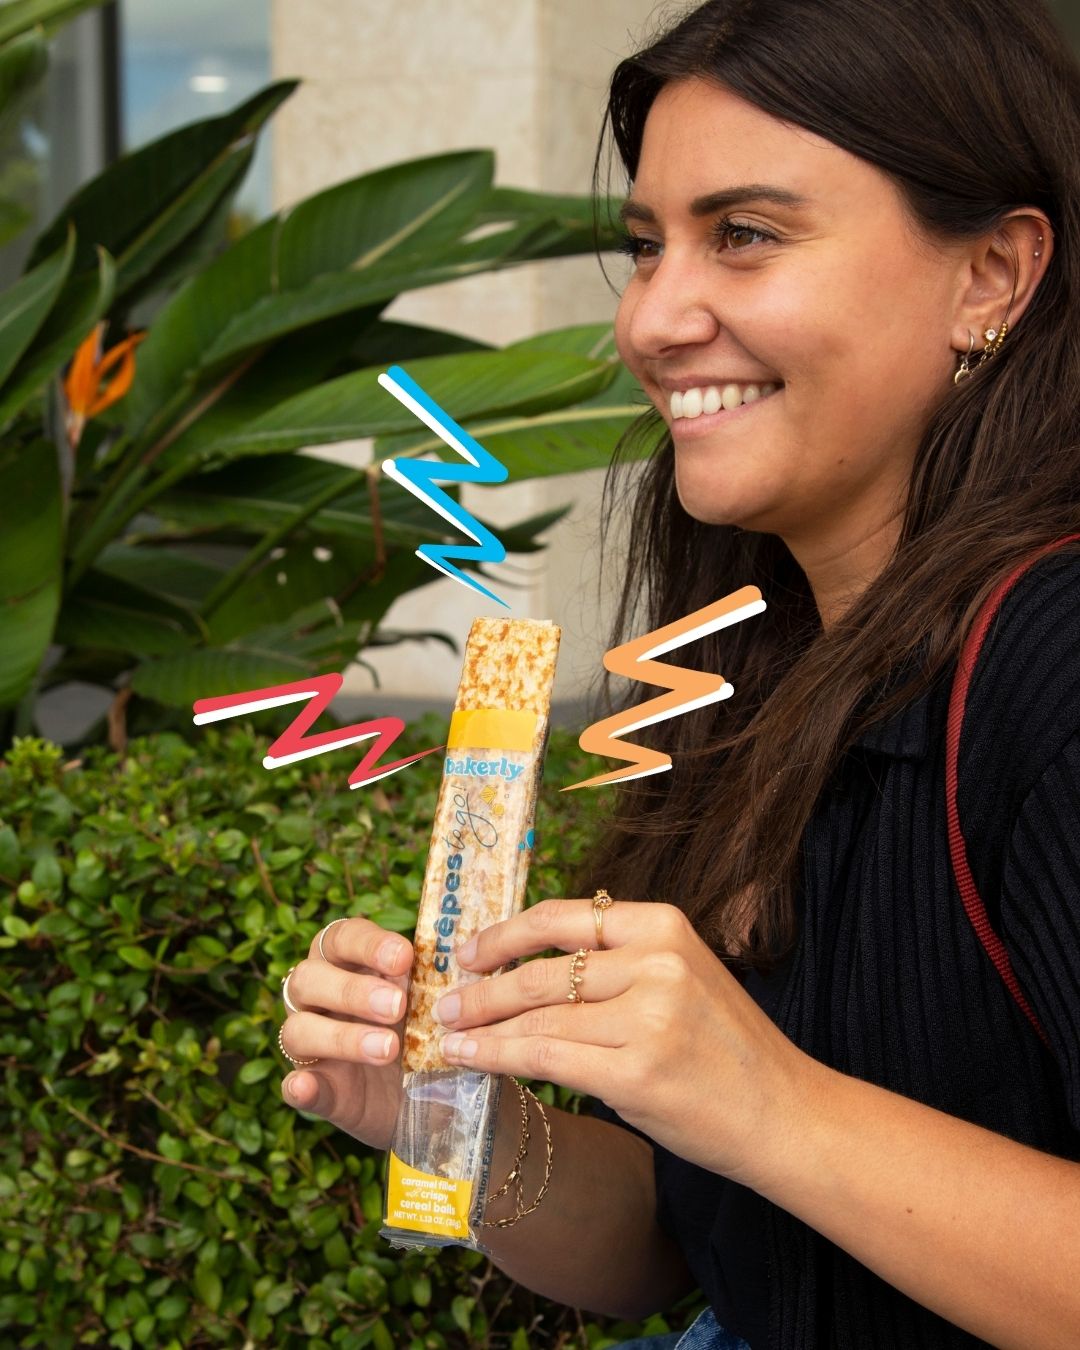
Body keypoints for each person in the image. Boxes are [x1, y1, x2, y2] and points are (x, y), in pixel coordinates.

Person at [275, 1, 1080, 1345]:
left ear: (992, 275)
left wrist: (775, 1102)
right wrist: (449, 1113)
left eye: (745, 236)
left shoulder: (1050, 671)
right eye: (646, 248)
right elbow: (675, 1240)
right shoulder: (740, 665)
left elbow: (772, 1132)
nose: (652, 319)